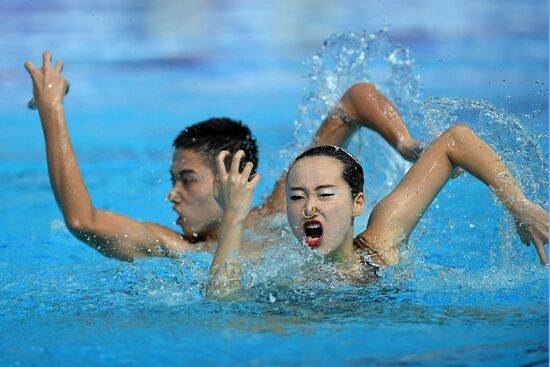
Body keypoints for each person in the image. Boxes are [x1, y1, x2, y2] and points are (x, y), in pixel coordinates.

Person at [24, 51, 423, 261]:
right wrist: (52, 110)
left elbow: (353, 101)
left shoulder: (286, 204)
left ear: (231, 175)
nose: (173, 194)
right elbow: (82, 220)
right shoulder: (181, 250)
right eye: (173, 180)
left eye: (187, 178)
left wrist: (405, 145)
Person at [207, 126, 548, 298]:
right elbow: (225, 313)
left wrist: (517, 204)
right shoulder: (283, 279)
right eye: (296, 197)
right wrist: (234, 218)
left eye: (325, 194)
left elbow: (456, 141)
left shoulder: (381, 244)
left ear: (358, 203)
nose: (309, 207)